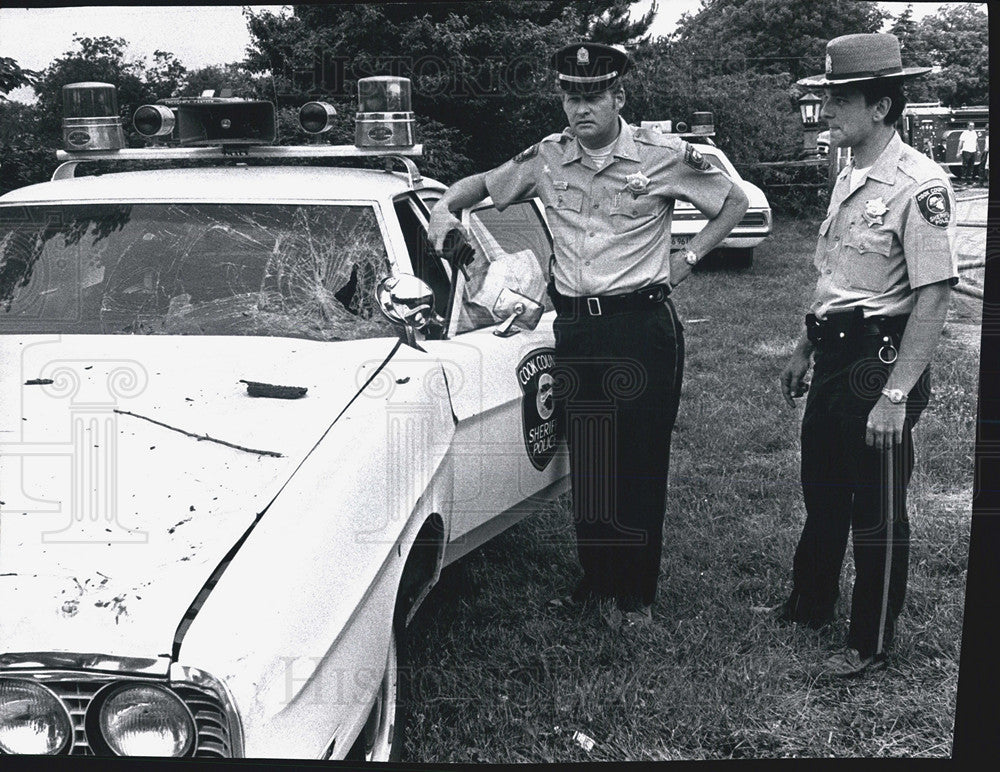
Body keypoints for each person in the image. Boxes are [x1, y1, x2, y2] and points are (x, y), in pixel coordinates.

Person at [427, 42, 748, 628]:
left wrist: (691, 257)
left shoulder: (662, 156)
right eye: (571, 96)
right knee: (592, 459)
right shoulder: (547, 159)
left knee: (639, 463)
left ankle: (635, 598)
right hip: (576, 325)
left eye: (593, 96)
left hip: (639, 327)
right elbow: (475, 187)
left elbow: (734, 201)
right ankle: (596, 580)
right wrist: (446, 209)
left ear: (618, 97)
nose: (581, 109)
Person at [778, 33, 958, 677]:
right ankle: (811, 603)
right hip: (834, 354)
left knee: (876, 509)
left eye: (838, 100)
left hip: (878, 362)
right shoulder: (850, 171)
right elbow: (836, 274)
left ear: (879, 107)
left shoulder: (918, 183)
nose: (826, 113)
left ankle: (871, 638)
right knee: (823, 489)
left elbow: (935, 296)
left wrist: (895, 394)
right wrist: (804, 345)